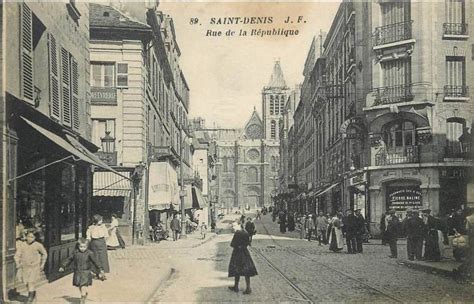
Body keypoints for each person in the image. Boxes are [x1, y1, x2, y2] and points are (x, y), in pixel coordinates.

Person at [59, 238, 105, 304]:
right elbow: (69, 259)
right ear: (78, 246)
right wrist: (63, 266)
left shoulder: (89, 253)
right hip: (77, 271)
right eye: (81, 247)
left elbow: (96, 262)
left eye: (84, 247)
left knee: (83, 285)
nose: (82, 248)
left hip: (86, 272)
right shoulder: (75, 253)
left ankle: (82, 298)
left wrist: (100, 269)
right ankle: (84, 294)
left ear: (87, 246)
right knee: (79, 285)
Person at [14, 229, 48, 303]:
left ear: (35, 238)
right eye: (28, 236)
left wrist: (42, 264)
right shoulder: (22, 245)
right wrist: (18, 263)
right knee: (26, 283)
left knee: (31, 282)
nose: (30, 238)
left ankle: (30, 299)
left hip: (34, 267)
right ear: (26, 237)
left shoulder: (38, 245)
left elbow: (44, 254)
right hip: (25, 267)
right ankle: (33, 294)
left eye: (32, 237)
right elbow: (17, 255)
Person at [228, 223, 258, 294]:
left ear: (239, 225)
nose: (233, 228)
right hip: (245, 253)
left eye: (234, 226)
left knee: (236, 270)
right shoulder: (245, 232)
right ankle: (248, 288)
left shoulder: (237, 233)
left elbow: (232, 244)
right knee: (246, 270)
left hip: (237, 253)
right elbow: (248, 242)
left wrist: (237, 246)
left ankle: (236, 286)